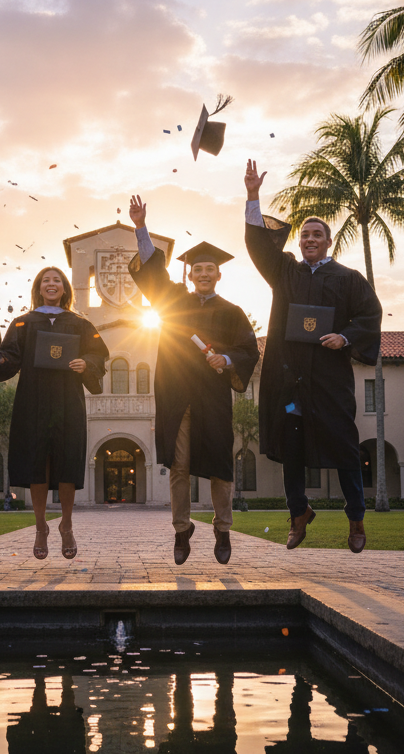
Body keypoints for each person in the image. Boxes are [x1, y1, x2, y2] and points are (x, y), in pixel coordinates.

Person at [242, 159, 382, 553]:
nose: (308, 239)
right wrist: (253, 196)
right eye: (304, 234)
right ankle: (298, 513)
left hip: (329, 379)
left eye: (316, 234)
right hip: (290, 381)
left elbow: (370, 316)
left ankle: (355, 518)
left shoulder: (348, 278)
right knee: (291, 449)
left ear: (329, 241)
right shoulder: (286, 271)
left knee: (344, 447)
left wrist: (345, 336)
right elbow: (258, 246)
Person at [127, 195, 260, 566]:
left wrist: (227, 357)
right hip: (176, 395)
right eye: (197, 269)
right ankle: (182, 529)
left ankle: (223, 527)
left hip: (213, 397)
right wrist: (141, 227)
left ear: (219, 274)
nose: (203, 274)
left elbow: (249, 350)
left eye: (209, 270)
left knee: (219, 463)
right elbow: (153, 275)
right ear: (190, 274)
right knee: (179, 464)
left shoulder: (232, 312)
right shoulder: (175, 301)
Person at [0, 266, 108, 559]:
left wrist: (86, 364)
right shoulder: (22, 323)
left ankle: (66, 523)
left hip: (69, 401)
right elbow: (10, 357)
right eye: (45, 281)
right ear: (39, 288)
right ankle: (41, 526)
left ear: (64, 288)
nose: (51, 284)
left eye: (56, 280)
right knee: (37, 464)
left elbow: (99, 354)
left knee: (67, 463)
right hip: (34, 401)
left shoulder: (80, 323)